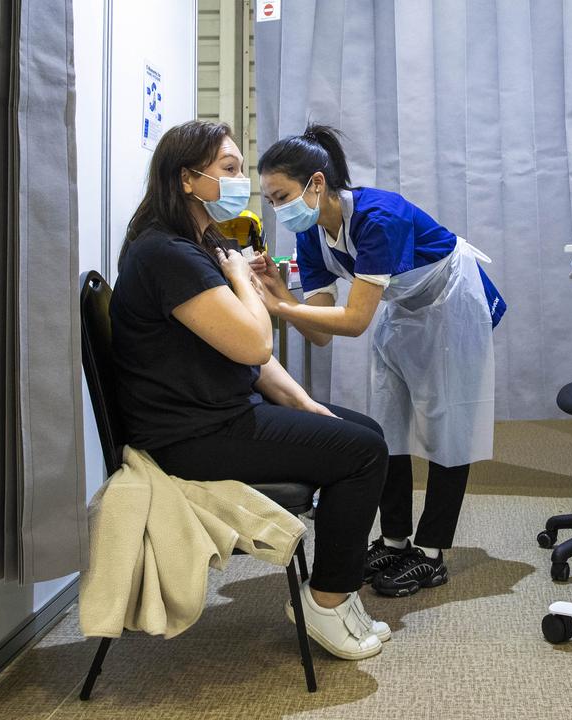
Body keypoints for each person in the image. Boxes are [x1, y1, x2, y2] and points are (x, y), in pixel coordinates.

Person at [108, 120, 390, 660]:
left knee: (361, 431)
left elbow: (252, 361)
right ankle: (325, 602)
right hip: (192, 435)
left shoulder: (194, 243)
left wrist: (306, 405)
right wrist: (243, 278)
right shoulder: (167, 254)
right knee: (364, 453)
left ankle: (338, 588)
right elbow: (255, 346)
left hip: (221, 411)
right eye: (230, 170)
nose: (240, 183)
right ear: (188, 180)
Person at [254, 124, 506, 598]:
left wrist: (280, 308)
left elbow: (353, 322)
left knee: (446, 427)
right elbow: (323, 332)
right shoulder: (310, 235)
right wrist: (280, 293)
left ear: (316, 184)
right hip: (403, 306)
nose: (277, 209)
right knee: (387, 425)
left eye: (281, 195)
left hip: (451, 302)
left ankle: (431, 554)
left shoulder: (378, 217)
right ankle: (394, 540)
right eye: (269, 200)